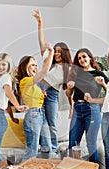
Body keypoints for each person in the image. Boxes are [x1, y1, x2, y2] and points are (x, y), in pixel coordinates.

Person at [64, 48, 109, 169]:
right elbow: (68, 94)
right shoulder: (75, 74)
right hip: (78, 109)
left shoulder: (99, 74)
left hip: (92, 110)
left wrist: (103, 84)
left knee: (91, 144)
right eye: (79, 58)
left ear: (90, 57)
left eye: (84, 57)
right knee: (73, 143)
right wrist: (69, 88)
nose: (82, 60)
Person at [15, 43, 54, 169]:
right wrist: (50, 52)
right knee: (32, 150)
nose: (35, 67)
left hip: (40, 114)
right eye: (32, 65)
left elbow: (37, 94)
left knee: (47, 148)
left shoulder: (35, 84)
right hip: (33, 116)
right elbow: (44, 71)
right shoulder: (25, 81)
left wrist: (41, 95)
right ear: (24, 67)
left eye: (36, 65)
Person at [32, 9, 72, 154]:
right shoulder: (47, 58)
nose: (56, 53)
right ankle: (42, 147)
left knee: (52, 123)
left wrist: (72, 106)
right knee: (38, 121)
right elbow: (41, 41)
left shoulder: (68, 69)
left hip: (53, 94)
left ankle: (53, 149)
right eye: (55, 50)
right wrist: (40, 23)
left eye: (59, 51)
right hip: (39, 89)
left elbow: (70, 89)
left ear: (64, 53)